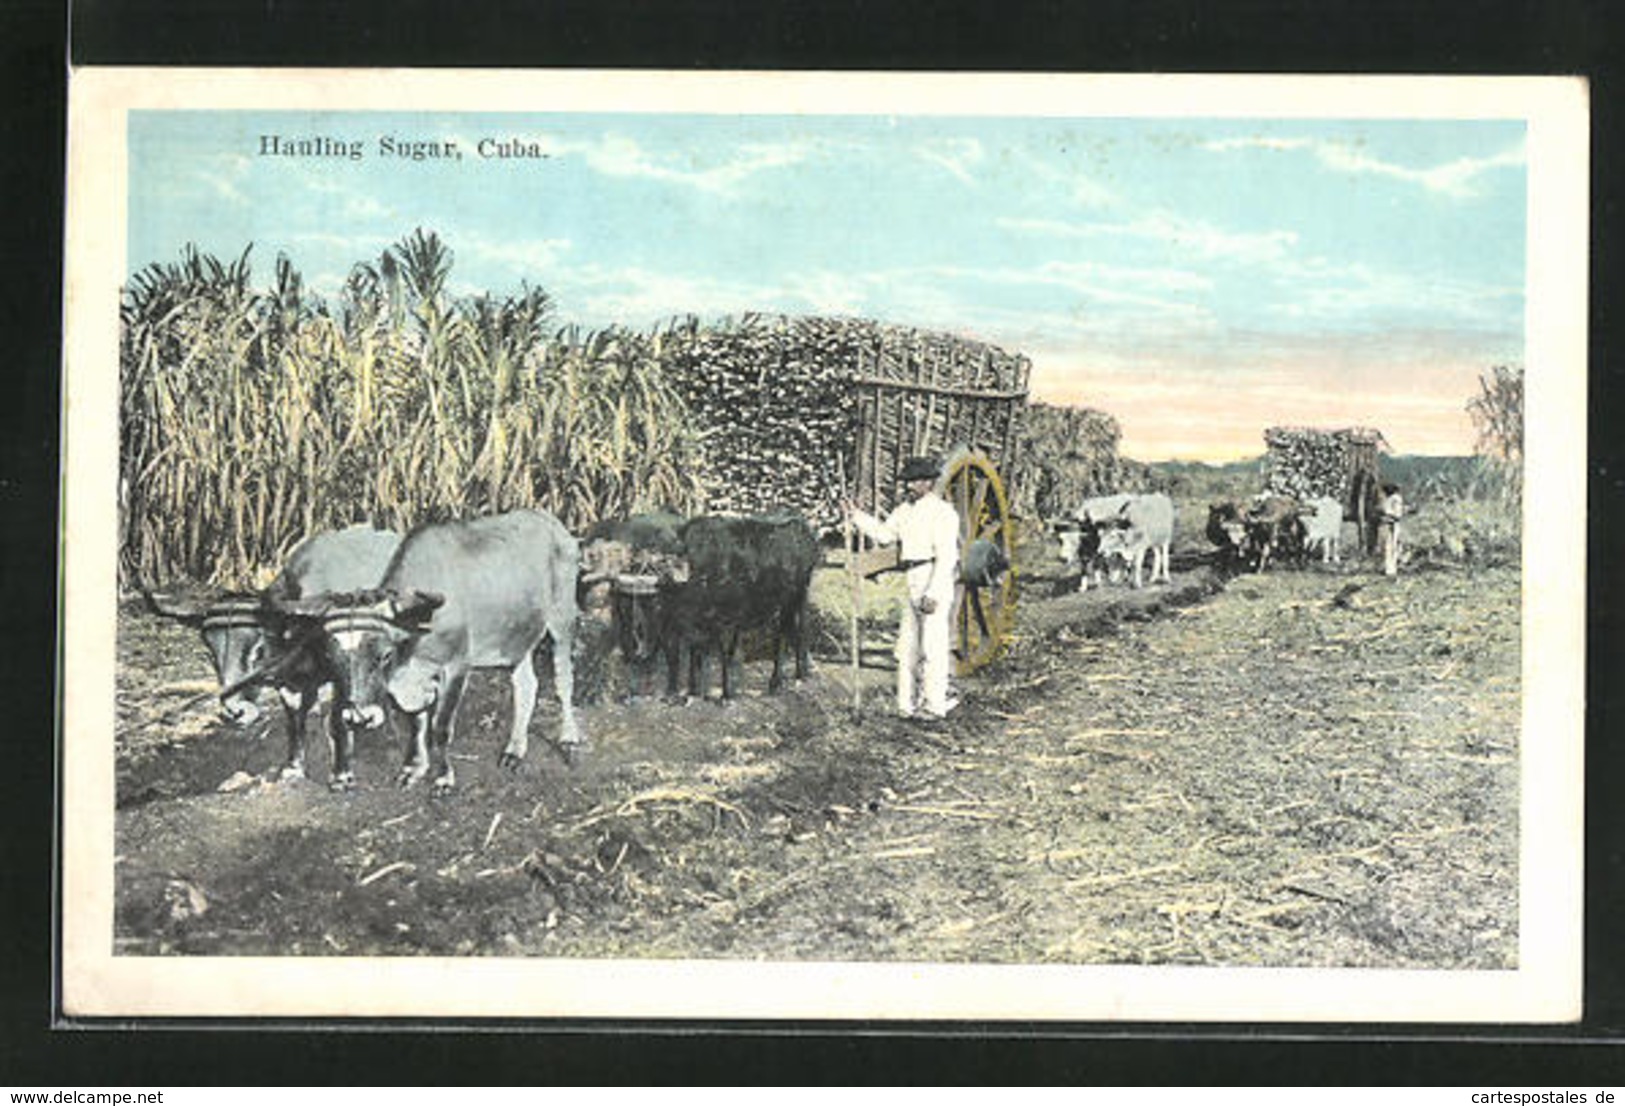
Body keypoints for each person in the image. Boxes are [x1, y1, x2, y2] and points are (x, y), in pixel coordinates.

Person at [846, 455, 962, 720]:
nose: (910, 487)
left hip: (934, 576)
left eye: (916, 481)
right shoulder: (904, 511)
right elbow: (885, 535)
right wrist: (856, 516)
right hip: (911, 577)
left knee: (933, 645)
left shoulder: (943, 513)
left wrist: (933, 593)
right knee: (907, 646)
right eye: (908, 482)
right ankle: (906, 706)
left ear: (929, 483)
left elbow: (947, 557)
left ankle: (934, 705)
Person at [1376, 482, 1404, 577]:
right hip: (1387, 524)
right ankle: (1388, 568)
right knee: (1386, 547)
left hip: (1391, 525)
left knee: (1390, 547)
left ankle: (1390, 570)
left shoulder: (1395, 499)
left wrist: (1386, 514)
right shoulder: (1389, 499)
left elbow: (1397, 514)